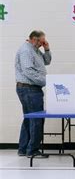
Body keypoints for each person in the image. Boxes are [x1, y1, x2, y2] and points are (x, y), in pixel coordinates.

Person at [15, 30, 51, 158]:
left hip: (31, 89)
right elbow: (28, 71)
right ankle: (33, 150)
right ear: (35, 40)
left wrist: (47, 49)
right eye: (42, 42)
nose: (43, 44)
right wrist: (46, 81)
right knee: (37, 119)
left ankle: (23, 148)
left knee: (29, 118)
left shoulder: (35, 50)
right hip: (29, 89)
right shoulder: (26, 50)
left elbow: (47, 62)